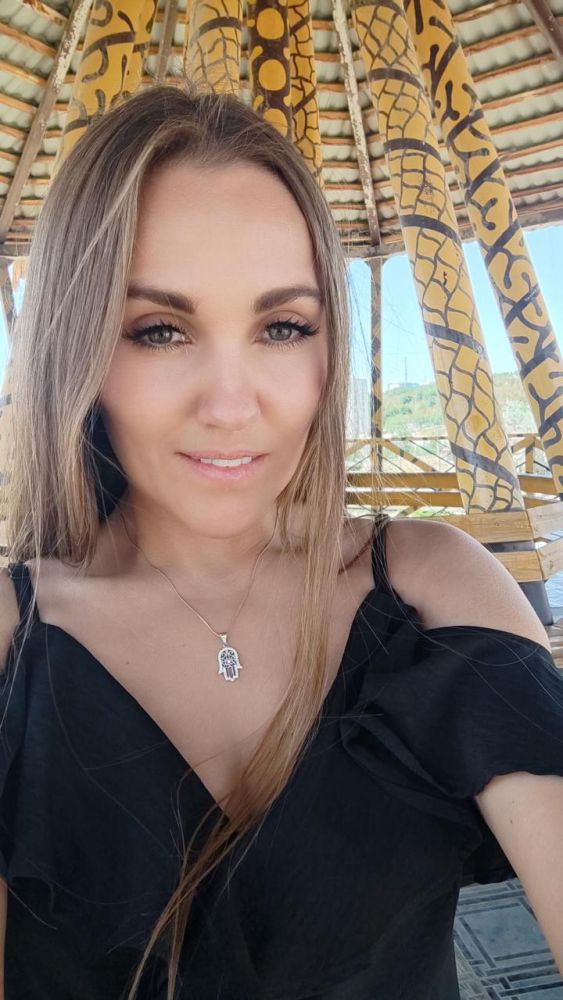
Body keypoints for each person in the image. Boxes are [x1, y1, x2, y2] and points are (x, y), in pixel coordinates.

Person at [0, 82, 562, 1000]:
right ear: (80, 348)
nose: (232, 406)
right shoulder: (14, 643)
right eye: (159, 330)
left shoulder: (430, 589)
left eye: (282, 327)